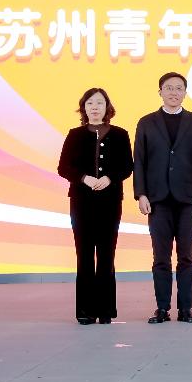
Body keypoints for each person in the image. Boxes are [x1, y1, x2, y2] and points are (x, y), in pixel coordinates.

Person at [133, 72, 192, 324]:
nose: (174, 92)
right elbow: (139, 161)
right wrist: (141, 194)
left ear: (185, 93)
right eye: (169, 88)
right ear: (160, 92)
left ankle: (186, 309)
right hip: (157, 199)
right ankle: (162, 308)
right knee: (161, 257)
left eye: (179, 88)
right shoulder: (146, 123)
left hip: (188, 199)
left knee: (186, 256)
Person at [58, 88, 133, 325]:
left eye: (100, 103)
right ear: (84, 107)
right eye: (90, 103)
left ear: (107, 107)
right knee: (84, 254)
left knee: (107, 253)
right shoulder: (75, 135)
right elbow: (63, 167)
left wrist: (110, 178)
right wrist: (84, 178)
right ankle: (85, 310)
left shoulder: (120, 134)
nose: (95, 107)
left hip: (110, 202)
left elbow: (127, 166)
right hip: (81, 202)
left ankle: (105, 310)